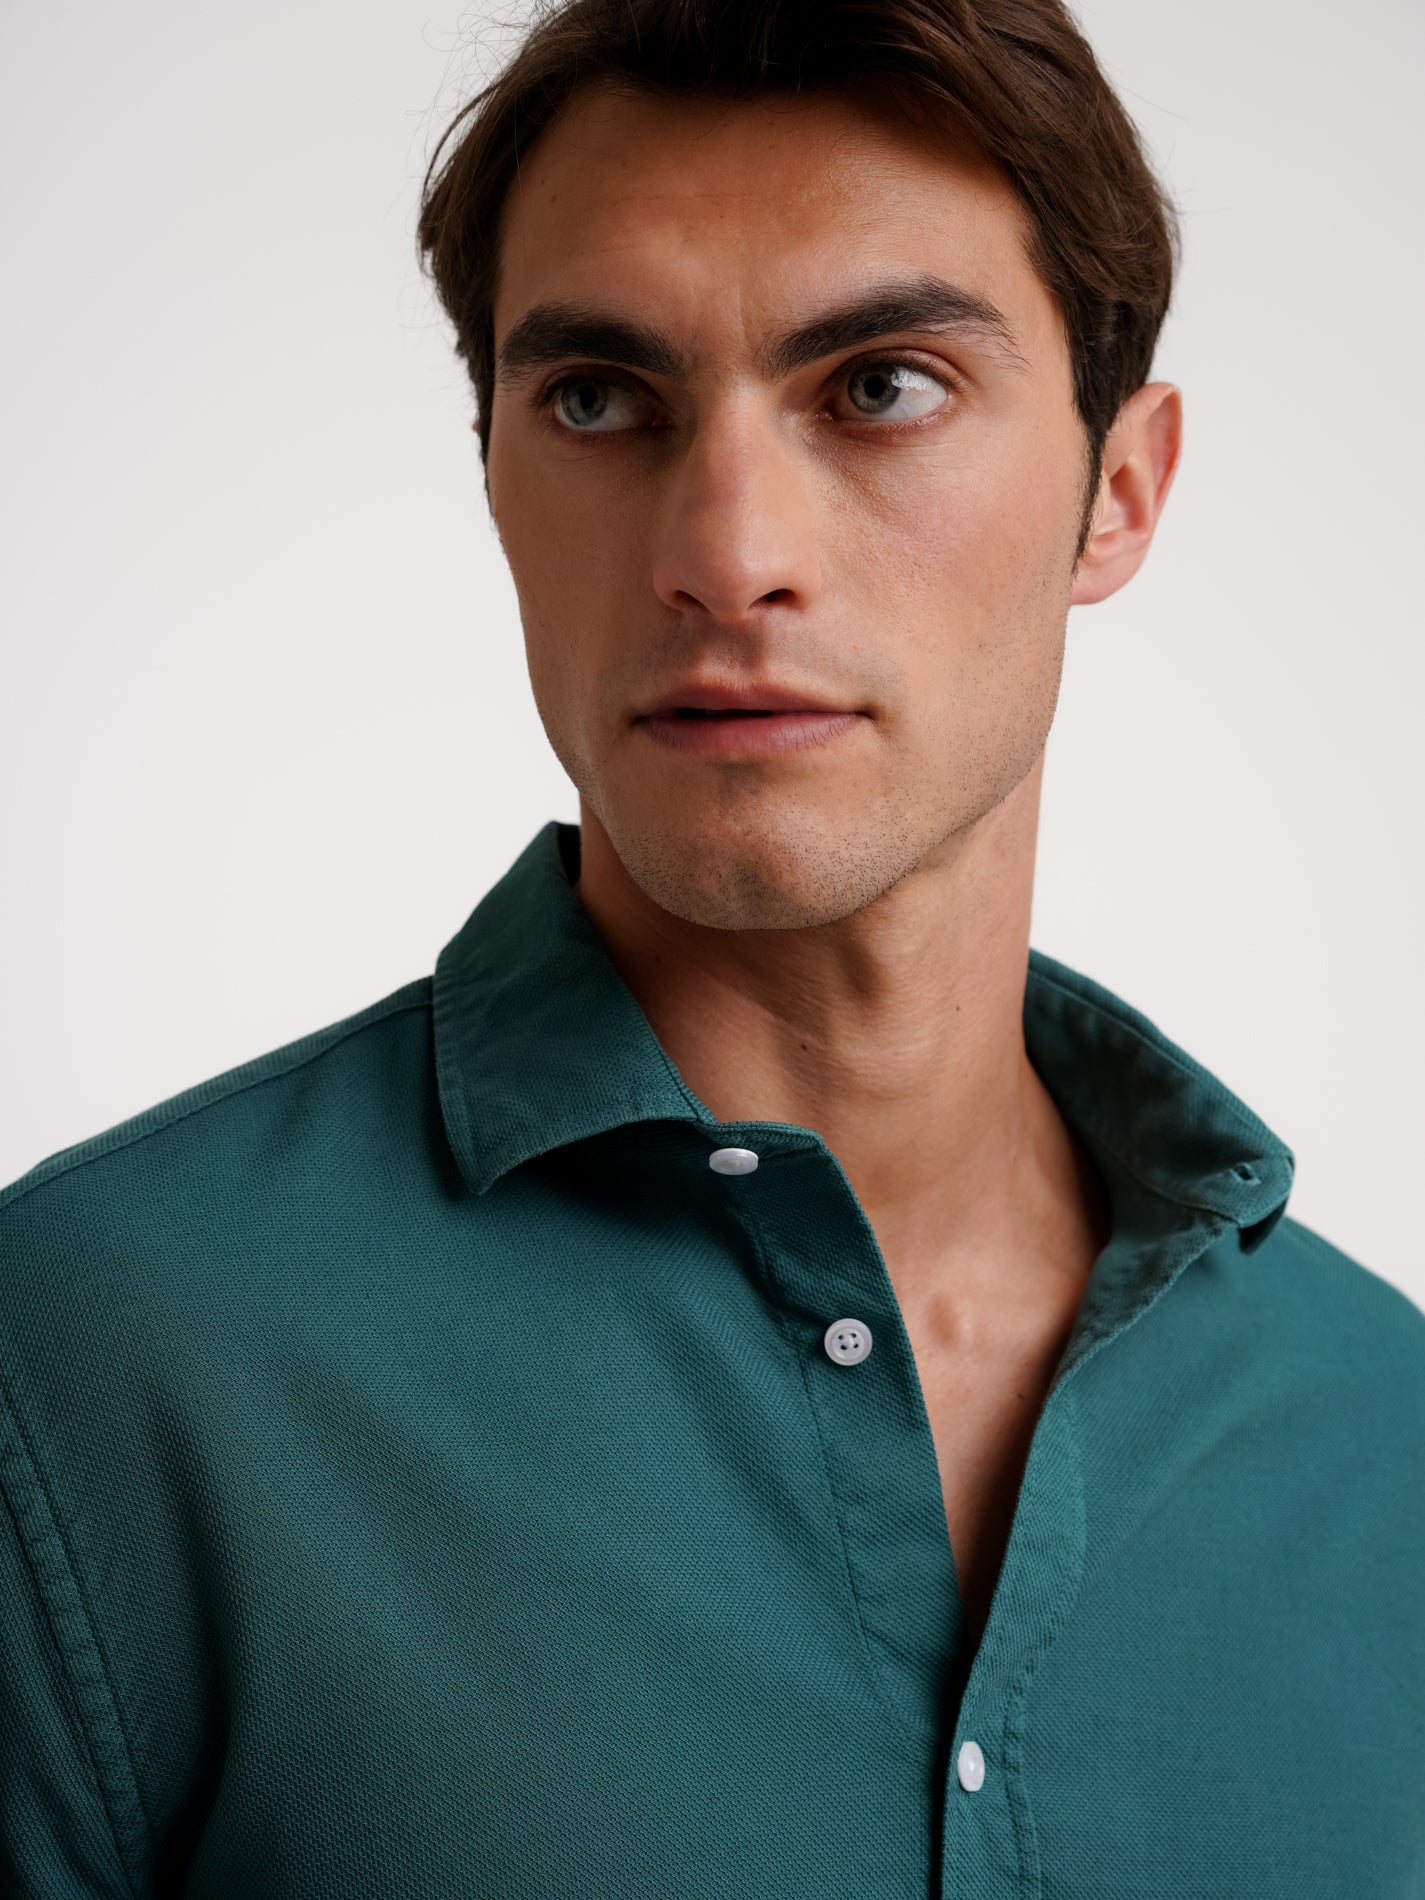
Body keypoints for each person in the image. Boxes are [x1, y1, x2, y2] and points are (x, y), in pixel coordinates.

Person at [2, 0, 1421, 1893]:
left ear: (1121, 490)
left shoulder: (1386, 1441)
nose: (726, 550)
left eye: (881, 386)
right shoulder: (88, 1368)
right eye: (600, 398)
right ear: (491, 473)